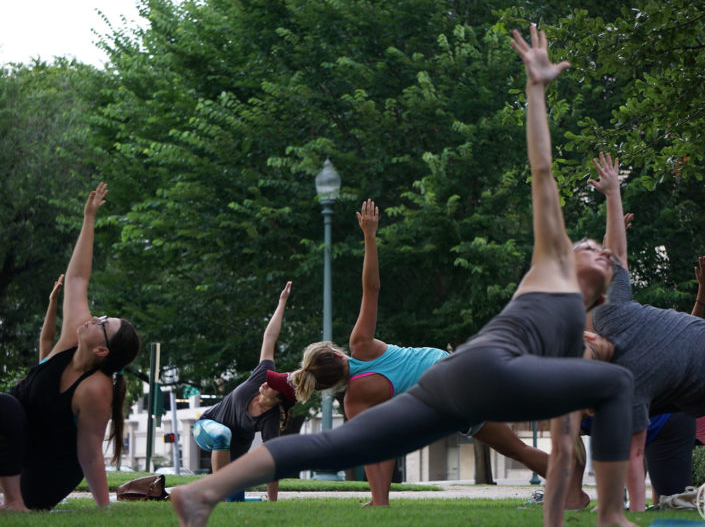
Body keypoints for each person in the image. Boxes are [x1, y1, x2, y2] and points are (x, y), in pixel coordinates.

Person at [172, 26, 637, 527]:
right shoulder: (551, 265)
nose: (593, 247)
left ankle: (205, 492)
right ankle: (610, 515)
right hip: (475, 370)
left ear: (603, 283)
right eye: (586, 244)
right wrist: (536, 89)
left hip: (455, 385)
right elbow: (542, 172)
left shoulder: (577, 322)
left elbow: (567, 431)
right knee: (611, 384)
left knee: (344, 442)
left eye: (600, 252)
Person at [291, 198, 585, 508]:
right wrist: (369, 237)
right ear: (337, 355)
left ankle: (572, 483)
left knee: (514, 449)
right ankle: (573, 489)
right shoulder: (361, 345)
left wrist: (380, 500)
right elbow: (371, 288)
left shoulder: (354, 402)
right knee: (516, 446)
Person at [570, 149, 705, 511]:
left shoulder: (611, 316)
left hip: (670, 415)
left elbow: (614, 257)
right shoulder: (617, 382)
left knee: (670, 501)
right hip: (666, 402)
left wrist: (613, 197)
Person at [0, 183, 141, 511]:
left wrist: (104, 507)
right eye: (102, 316)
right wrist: (89, 219)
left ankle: (15, 504)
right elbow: (78, 280)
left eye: (104, 324)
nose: (96, 318)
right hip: (21, 452)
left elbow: (90, 451)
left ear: (102, 351)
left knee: (5, 405)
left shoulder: (96, 388)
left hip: (44, 477)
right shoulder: (71, 338)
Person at [192, 281, 296, 502]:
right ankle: (213, 493)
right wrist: (282, 302)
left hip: (235, 458)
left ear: (278, 400)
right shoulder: (262, 374)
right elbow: (270, 339)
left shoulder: (270, 419)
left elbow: (272, 461)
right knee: (223, 434)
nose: (267, 383)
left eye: (273, 387)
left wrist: (273, 501)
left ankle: (230, 497)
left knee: (235, 502)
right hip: (206, 428)